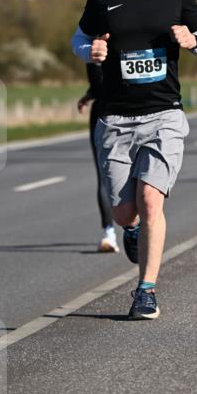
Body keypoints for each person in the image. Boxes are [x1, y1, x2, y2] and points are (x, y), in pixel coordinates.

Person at [71, 0, 197, 319]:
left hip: (163, 114)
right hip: (115, 118)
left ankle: (145, 290)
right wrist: (89, 52)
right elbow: (78, 38)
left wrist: (193, 40)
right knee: (123, 212)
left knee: (152, 200)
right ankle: (130, 232)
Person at [77, 63, 119, 252]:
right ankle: (116, 232)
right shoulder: (121, 40)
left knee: (105, 177)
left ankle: (111, 233)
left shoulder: (91, 45)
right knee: (108, 177)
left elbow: (99, 84)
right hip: (120, 113)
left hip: (108, 114)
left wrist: (89, 95)